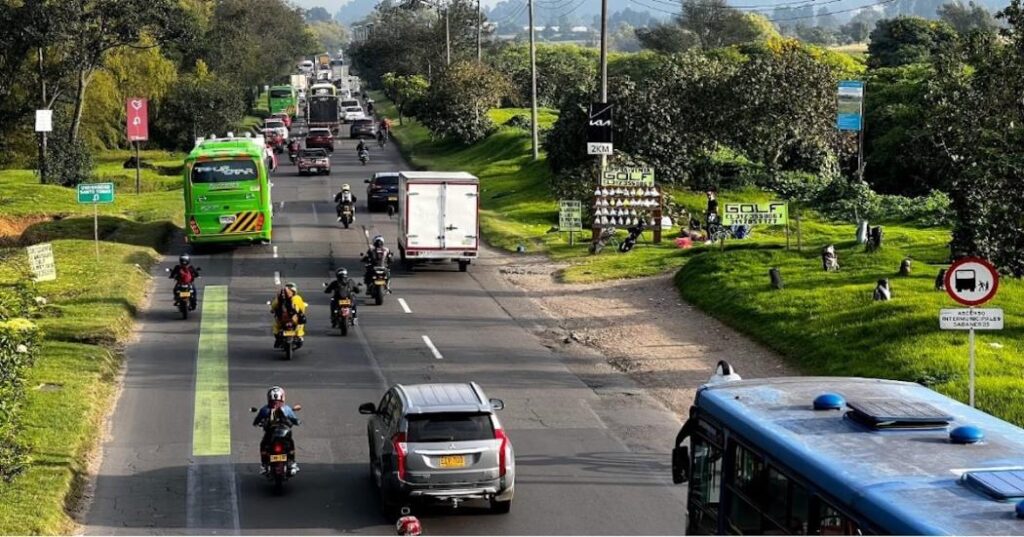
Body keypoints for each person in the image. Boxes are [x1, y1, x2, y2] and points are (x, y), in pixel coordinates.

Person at [253, 386, 300, 475]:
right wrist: (297, 422)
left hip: (272, 435)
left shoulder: (264, 409)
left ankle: (264, 465)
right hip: (283, 434)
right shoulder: (287, 408)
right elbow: (294, 419)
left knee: (263, 445)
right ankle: (292, 462)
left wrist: (256, 423)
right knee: (290, 443)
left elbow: (257, 420)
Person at [270, 283, 307, 349]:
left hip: (283, 320)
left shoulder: (279, 299)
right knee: (301, 321)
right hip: (292, 319)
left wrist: (273, 310)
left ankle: (279, 340)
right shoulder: (297, 298)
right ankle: (299, 337)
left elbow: (273, 307)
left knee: (276, 327)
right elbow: (302, 309)